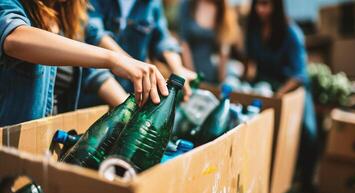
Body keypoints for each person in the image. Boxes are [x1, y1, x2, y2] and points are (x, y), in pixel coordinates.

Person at [0, 0, 168, 126]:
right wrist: (114, 59)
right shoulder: (9, 4)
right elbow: (13, 38)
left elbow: (93, 74)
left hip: (48, 143)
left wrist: (132, 115)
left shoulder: (67, 17)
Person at [245, 0, 318, 193]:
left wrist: (279, 96)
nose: (262, 10)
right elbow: (251, 61)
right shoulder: (253, 29)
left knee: (308, 132)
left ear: (276, 7)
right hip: (265, 84)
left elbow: (299, 75)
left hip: (292, 88)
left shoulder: (291, 33)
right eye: (258, 5)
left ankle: (306, 183)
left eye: (266, 5)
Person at [85, 0, 196, 102]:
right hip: (93, 92)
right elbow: (94, 34)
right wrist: (129, 63)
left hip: (132, 92)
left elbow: (162, 39)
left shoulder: (152, 3)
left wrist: (178, 69)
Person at [178, 0, 240, 84]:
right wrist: (192, 76)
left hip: (211, 74)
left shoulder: (222, 8)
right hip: (188, 72)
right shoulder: (188, 4)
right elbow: (183, 43)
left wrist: (221, 82)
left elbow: (224, 50)